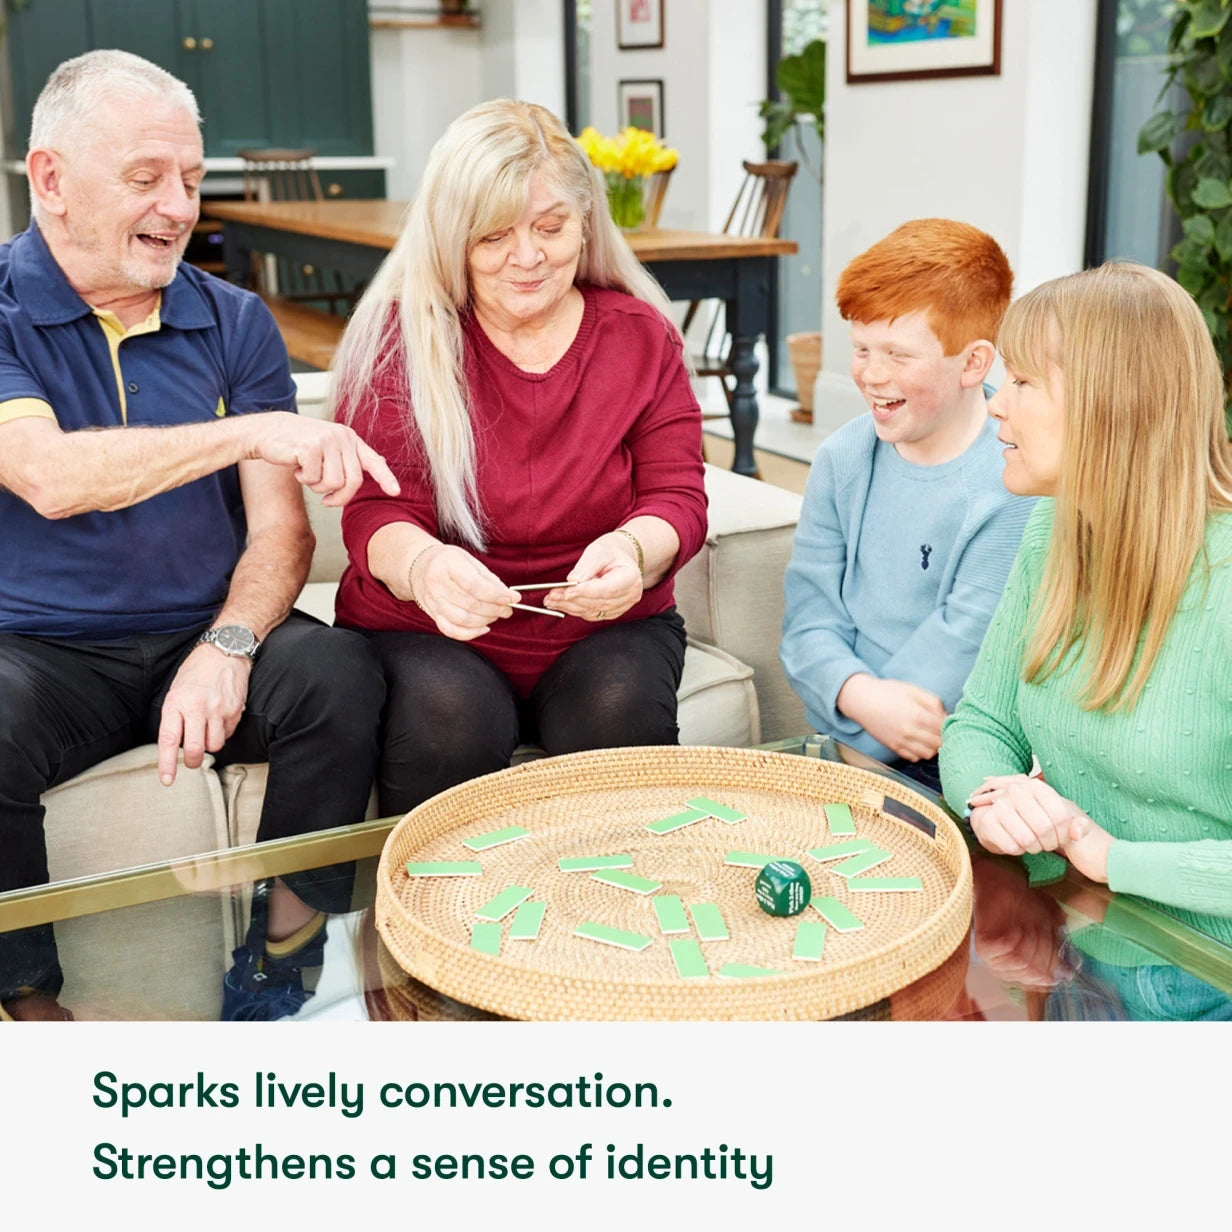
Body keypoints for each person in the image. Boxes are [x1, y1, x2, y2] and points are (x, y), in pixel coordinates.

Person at [0, 51, 400, 1021]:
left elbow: (280, 532)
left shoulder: (234, 320)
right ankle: (25, 1001)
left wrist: (230, 642)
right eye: (146, 178)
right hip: (40, 650)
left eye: (190, 177)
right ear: (51, 179)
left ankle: (283, 959)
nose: (179, 207)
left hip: (201, 627)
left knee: (340, 672)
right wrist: (249, 430)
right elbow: (49, 476)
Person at [331, 99, 707, 814]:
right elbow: (375, 512)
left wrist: (632, 550)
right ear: (453, 238)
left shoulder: (641, 336)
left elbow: (678, 497)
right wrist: (425, 567)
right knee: (448, 723)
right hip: (429, 629)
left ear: (586, 222)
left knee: (619, 715)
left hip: (605, 627)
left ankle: (619, 887)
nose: (528, 257)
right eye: (495, 236)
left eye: (551, 228)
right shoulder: (398, 341)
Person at [940, 261, 1232, 947]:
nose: (996, 404)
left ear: (1112, 404)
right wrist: (995, 798)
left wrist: (1112, 859)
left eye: (1023, 382)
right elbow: (981, 723)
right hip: (1081, 940)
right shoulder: (1052, 528)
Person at [779, 219, 1034, 792]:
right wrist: (857, 696)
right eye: (861, 348)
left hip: (950, 755)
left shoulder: (1012, 483)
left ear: (973, 363)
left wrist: (850, 727)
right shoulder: (842, 459)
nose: (872, 375)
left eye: (898, 355)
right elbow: (806, 624)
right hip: (841, 732)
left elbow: (958, 658)